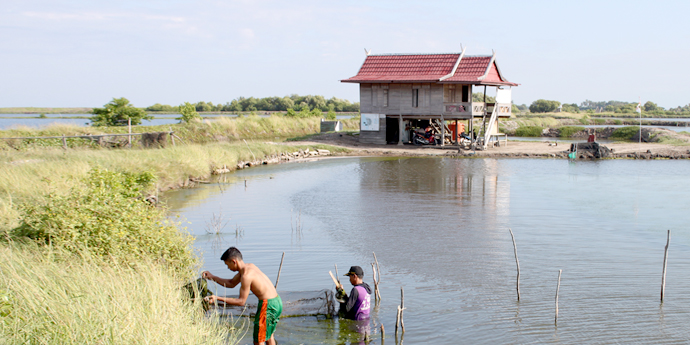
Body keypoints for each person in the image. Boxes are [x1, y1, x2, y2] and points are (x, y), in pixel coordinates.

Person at [203, 247, 282, 345]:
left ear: (234, 261)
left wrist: (217, 298)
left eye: (228, 265)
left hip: (267, 305)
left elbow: (241, 302)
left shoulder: (246, 276)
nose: (228, 268)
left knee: (258, 340)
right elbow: (231, 283)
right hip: (277, 301)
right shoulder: (250, 266)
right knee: (269, 336)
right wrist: (212, 277)